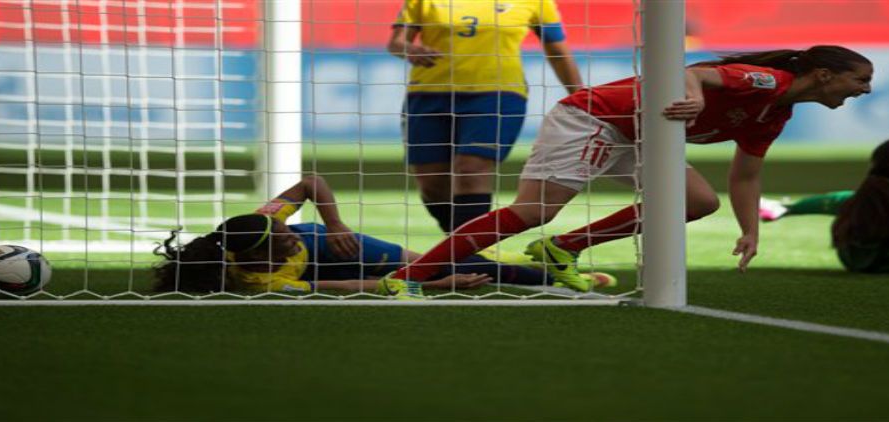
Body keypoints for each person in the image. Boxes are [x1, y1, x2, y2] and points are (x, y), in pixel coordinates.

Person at [381, 45, 873, 289]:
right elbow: (691, 71)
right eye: (860, 80)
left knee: (696, 201)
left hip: (640, 134)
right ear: (825, 74)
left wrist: (752, 231)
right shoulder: (767, 82)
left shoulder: (775, 114)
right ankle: (409, 276)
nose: (866, 90)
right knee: (533, 211)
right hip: (595, 116)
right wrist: (695, 96)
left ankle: (563, 249)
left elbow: (745, 176)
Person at [153, 175, 614, 299]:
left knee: (446, 262)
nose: (287, 236)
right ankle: (536, 269)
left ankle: (556, 275)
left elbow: (311, 182)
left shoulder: (262, 220)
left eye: (284, 230)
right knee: (438, 274)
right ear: (260, 256)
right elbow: (344, 287)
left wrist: (333, 225)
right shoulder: (260, 283)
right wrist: (429, 288)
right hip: (332, 270)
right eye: (281, 241)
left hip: (335, 244)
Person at [387, 0, 582, 234]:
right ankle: (460, 249)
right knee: (431, 184)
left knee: (471, 168)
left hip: (497, 94)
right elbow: (396, 43)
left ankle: (470, 255)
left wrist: (580, 96)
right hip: (428, 93)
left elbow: (558, 51)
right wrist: (410, 49)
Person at [759, 136, 889, 273]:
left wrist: (789, 208)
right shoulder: (878, 201)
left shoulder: (861, 199)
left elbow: (829, 201)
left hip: (856, 262)